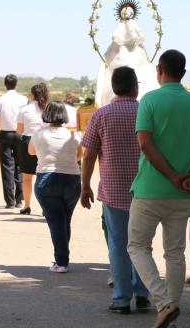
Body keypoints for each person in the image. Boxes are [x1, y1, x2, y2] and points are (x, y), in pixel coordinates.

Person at [127, 49, 190, 328]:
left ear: (160, 70)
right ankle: (170, 309)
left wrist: (172, 175)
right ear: (184, 73)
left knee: (138, 246)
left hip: (151, 188)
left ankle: (164, 304)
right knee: (174, 252)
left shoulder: (150, 100)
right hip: (184, 192)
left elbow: (145, 143)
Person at [80, 66, 150, 314]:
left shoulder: (102, 115)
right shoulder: (147, 111)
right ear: (135, 87)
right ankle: (143, 294)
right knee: (143, 244)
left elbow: (88, 154)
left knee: (118, 245)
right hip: (145, 190)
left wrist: (85, 186)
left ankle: (121, 299)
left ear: (113, 87)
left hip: (113, 190)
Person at [29, 102, 82, 273]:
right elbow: (80, 155)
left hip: (46, 180)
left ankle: (61, 261)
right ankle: (62, 257)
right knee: (65, 220)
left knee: (56, 222)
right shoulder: (74, 135)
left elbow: (31, 151)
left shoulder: (39, 134)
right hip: (72, 180)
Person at [0, 74, 28, 208]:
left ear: (5, 84)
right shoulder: (23, 99)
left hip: (5, 135)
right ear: (16, 84)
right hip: (20, 134)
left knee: (7, 167)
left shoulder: (0, 99)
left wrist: (4, 118)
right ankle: (19, 199)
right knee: (20, 165)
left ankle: (10, 201)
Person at [17, 83, 49, 215]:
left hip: (28, 141)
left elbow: (19, 130)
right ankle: (45, 207)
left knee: (27, 177)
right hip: (45, 141)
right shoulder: (48, 108)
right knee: (45, 175)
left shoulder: (24, 109)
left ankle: (27, 205)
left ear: (32, 95)